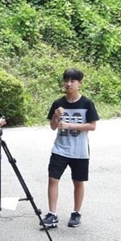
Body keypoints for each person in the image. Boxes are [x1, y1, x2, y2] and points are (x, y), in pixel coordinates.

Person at [41, 68, 99, 229]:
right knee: (53, 179)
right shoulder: (58, 103)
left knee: (78, 182)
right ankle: (52, 214)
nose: (69, 84)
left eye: (73, 81)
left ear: (80, 83)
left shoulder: (87, 103)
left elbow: (92, 126)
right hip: (60, 148)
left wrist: (69, 124)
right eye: (66, 81)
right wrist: (55, 117)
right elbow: (53, 127)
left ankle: (76, 212)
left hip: (80, 150)